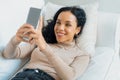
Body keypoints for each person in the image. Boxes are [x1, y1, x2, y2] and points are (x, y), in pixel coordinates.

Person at [2, 6, 90, 80]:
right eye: (58, 23)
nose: (60, 28)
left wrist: (45, 49)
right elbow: (8, 54)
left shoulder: (81, 55)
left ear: (78, 29)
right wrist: (16, 40)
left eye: (67, 25)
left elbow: (69, 76)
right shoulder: (42, 41)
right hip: (22, 76)